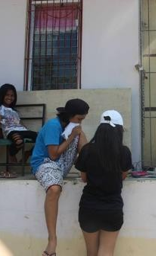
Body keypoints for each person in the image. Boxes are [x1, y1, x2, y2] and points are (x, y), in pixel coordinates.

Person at [29, 99, 90, 256]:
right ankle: (52, 239)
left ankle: (90, 168)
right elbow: (53, 154)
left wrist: (77, 136)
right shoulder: (53, 125)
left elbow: (75, 147)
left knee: (80, 134)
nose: (79, 122)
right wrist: (71, 137)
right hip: (44, 163)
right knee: (55, 189)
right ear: (69, 115)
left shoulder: (71, 126)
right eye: (78, 119)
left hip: (60, 166)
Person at [75, 110, 131, 256]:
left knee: (91, 252)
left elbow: (84, 178)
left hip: (89, 207)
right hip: (112, 207)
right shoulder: (124, 152)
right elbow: (122, 176)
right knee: (107, 251)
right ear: (119, 130)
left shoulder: (87, 150)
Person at [0, 83, 38, 177]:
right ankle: (12, 155)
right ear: (2, 95)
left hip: (22, 130)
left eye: (12, 95)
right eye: (7, 95)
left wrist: (27, 131)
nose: (10, 97)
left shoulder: (14, 111)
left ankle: (28, 153)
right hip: (10, 131)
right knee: (18, 140)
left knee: (41, 137)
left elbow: (19, 123)